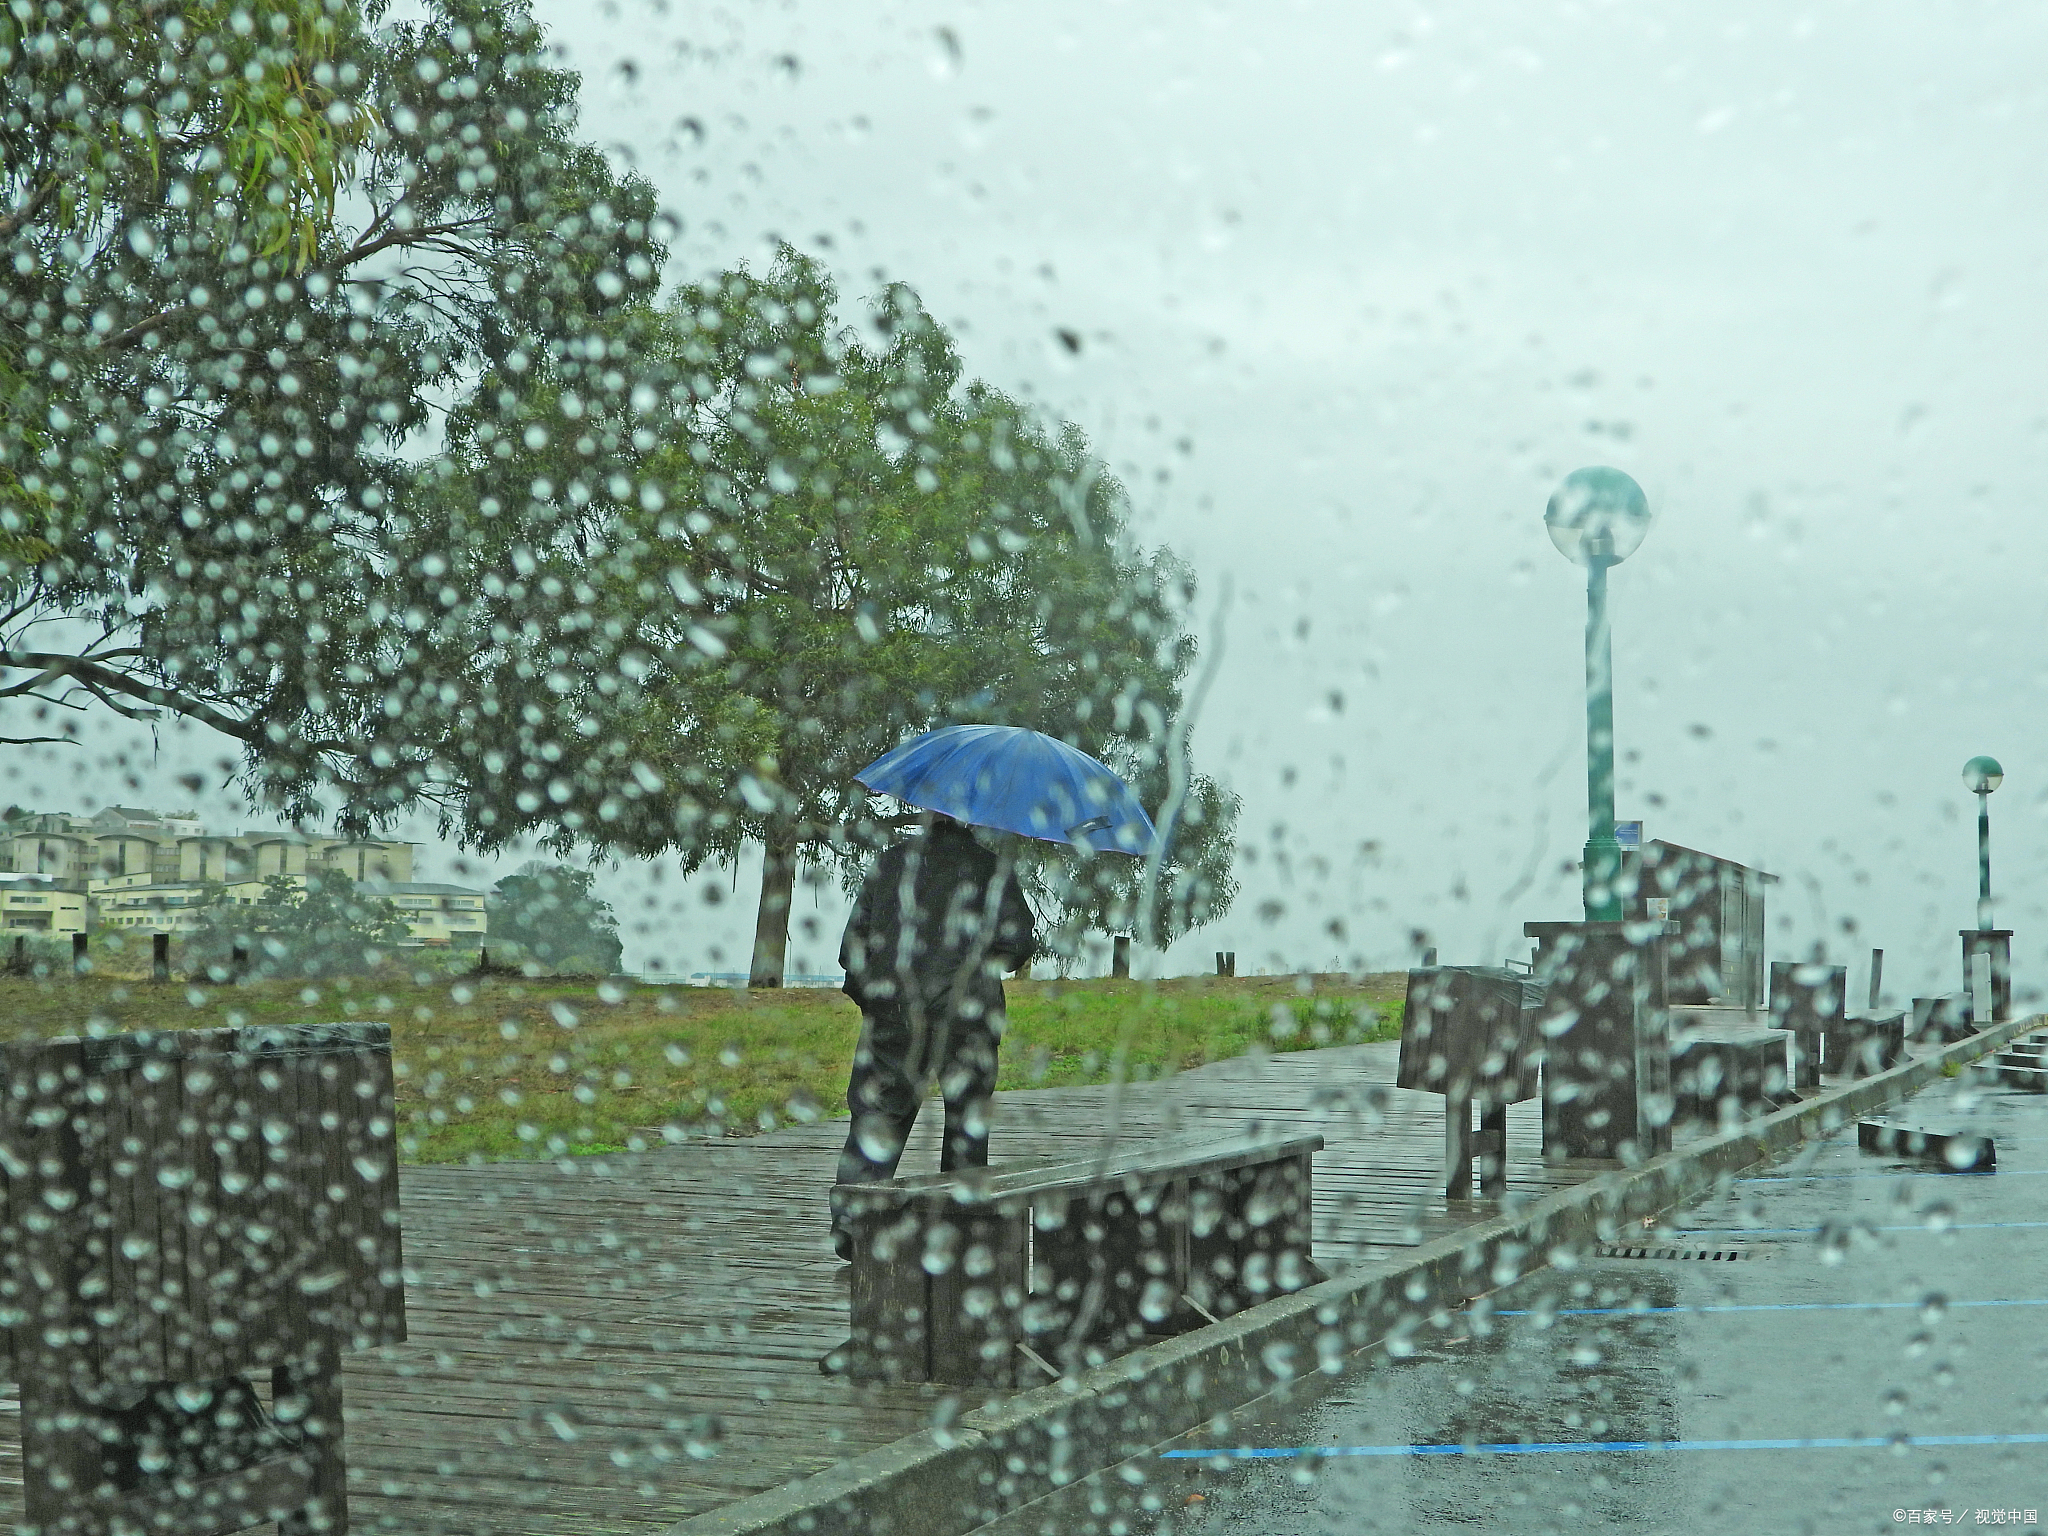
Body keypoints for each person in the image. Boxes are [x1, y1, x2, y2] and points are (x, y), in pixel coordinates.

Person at [829, 812, 1036, 1261]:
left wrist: (878, 994)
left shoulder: (888, 864)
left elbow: (851, 948)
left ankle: (852, 1223)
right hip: (969, 1015)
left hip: (895, 1011)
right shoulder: (990, 869)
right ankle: (959, 1225)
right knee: (966, 1118)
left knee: (878, 1113)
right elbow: (1019, 943)